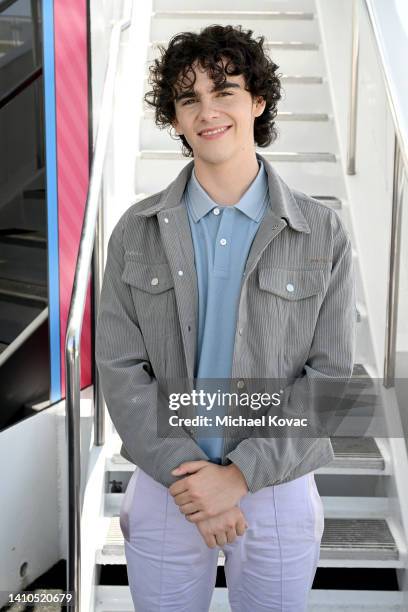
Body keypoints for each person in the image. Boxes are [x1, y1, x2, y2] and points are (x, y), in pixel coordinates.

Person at [95, 24, 356, 612]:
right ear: (176, 118)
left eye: (225, 91)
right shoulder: (134, 231)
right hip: (168, 488)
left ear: (258, 101)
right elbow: (119, 368)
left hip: (277, 487)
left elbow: (332, 380)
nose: (208, 111)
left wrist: (237, 476)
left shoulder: (323, 230)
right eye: (190, 99)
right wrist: (193, 481)